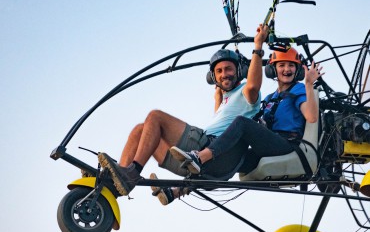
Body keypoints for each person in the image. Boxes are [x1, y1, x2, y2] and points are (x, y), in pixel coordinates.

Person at [97, 24, 269, 204]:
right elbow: (221, 121)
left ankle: (131, 173)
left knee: (155, 117)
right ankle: (116, 185)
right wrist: (218, 97)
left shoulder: (246, 93)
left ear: (239, 71)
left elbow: (253, 85)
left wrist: (258, 47)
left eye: (228, 69)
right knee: (141, 130)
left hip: (209, 151)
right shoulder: (225, 100)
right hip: (193, 163)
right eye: (219, 71)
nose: (224, 74)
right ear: (213, 77)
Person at [170, 47, 323, 181]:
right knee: (233, 159)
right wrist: (221, 96)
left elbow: (312, 117)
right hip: (269, 144)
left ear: (297, 71)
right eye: (281, 65)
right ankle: (182, 189)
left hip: (286, 145)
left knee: (241, 122)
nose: (287, 70)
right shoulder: (270, 98)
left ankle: (201, 157)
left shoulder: (299, 89)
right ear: (272, 70)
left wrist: (309, 84)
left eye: (291, 65)